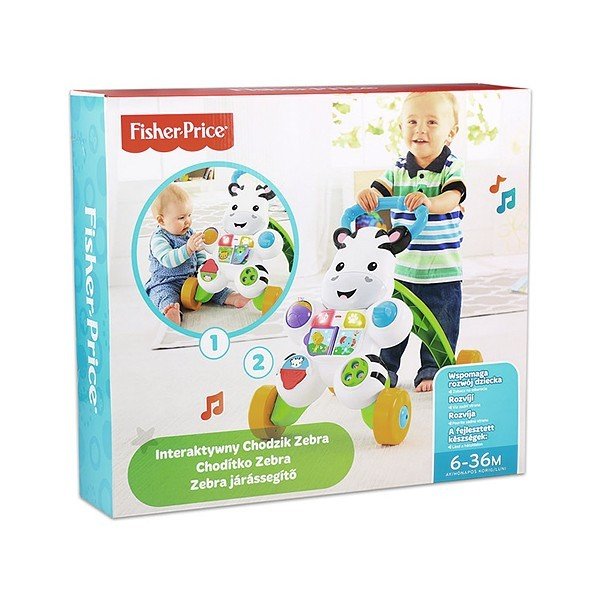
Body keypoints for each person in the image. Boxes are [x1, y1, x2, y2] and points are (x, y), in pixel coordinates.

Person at [357, 92, 466, 392]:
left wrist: (430, 202)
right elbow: (379, 190)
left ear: (451, 132)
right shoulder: (397, 169)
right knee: (391, 321)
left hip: (442, 271)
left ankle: (432, 369)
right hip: (402, 270)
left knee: (439, 324)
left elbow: (452, 197)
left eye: (432, 122)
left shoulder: (451, 167)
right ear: (401, 127)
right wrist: (369, 196)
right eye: (413, 121)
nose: (420, 129)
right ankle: (385, 368)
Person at [145, 184, 249, 325]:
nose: (187, 221)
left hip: (193, 278)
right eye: (181, 217)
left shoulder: (189, 232)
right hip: (167, 282)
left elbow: (199, 252)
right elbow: (168, 260)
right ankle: (171, 311)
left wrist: (202, 268)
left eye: (189, 215)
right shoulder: (159, 239)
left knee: (212, 286)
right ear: (161, 220)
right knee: (163, 295)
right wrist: (188, 249)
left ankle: (232, 297)